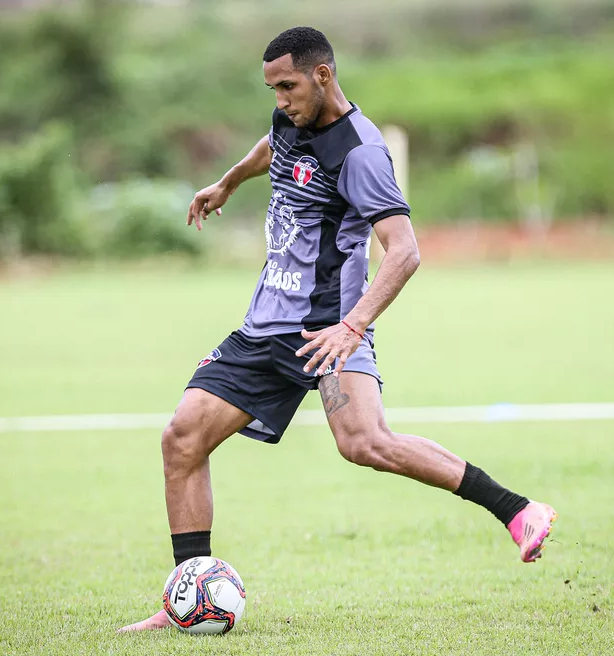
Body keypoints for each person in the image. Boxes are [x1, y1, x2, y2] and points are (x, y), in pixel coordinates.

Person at [118, 26, 557, 633]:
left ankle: (518, 510)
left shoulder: (360, 152)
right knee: (182, 440)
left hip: (327, 331)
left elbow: (404, 251)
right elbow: (271, 148)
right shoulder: (290, 119)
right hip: (263, 328)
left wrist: (353, 326)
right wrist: (227, 182)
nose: (280, 100)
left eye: (288, 86)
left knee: (365, 443)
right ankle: (183, 598)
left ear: (323, 74)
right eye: (271, 88)